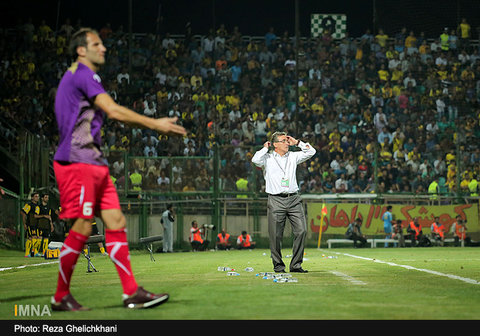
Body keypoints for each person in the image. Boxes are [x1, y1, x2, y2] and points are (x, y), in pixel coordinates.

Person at [51, 28, 186, 312]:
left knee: (115, 222)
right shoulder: (81, 74)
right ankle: (60, 296)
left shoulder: (81, 76)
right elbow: (112, 110)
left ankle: (131, 293)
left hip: (94, 162)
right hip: (78, 161)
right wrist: (156, 124)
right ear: (80, 50)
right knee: (83, 225)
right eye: (96, 44)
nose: (104, 48)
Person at [251, 131, 316, 273]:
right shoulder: (267, 158)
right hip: (275, 200)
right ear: (275, 144)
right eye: (283, 141)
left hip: (293, 199)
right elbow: (255, 160)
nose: (287, 143)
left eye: (287, 141)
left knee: (302, 230)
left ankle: (296, 265)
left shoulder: (293, 156)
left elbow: (311, 151)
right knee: (275, 235)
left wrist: (298, 143)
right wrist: (264, 148)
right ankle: (278, 266)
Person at [21, 191, 39, 257]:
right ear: (32, 198)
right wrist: (24, 223)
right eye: (36, 196)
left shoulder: (37, 206)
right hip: (30, 224)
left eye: (38, 196)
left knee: (34, 238)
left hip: (35, 225)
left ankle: (34, 252)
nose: (37, 198)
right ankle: (27, 253)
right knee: (31, 238)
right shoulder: (29, 205)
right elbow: (23, 213)